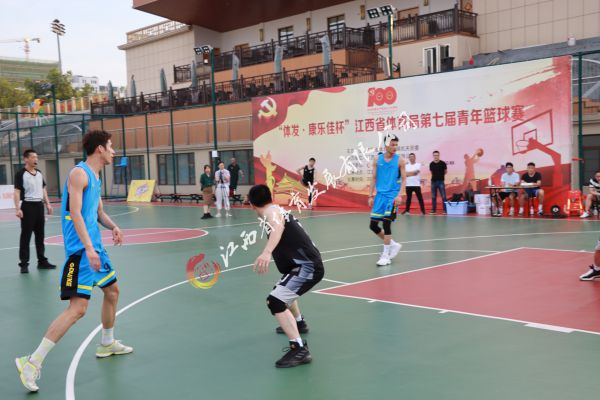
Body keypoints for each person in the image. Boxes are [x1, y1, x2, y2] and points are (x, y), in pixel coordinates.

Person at [15, 130, 132, 393]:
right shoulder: (79, 174)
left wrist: (114, 227)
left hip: (95, 248)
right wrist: (88, 248)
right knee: (77, 309)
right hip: (81, 252)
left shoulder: (96, 176)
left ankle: (107, 343)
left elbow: (98, 212)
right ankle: (31, 363)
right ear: (100, 149)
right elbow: (76, 213)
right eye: (110, 147)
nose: (113, 151)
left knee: (112, 291)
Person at [248, 184, 324, 368]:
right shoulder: (276, 209)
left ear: (251, 205)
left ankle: (299, 350)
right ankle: (299, 323)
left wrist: (267, 252)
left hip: (307, 267)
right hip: (304, 265)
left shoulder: (271, 212)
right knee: (283, 290)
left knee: (275, 301)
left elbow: (278, 226)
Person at [13, 149, 56, 273]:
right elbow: (17, 192)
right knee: (25, 236)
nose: (36, 159)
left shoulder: (39, 173)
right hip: (27, 206)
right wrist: (18, 208)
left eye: (36, 157)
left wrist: (48, 204)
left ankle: (42, 261)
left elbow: (43, 189)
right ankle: (24, 264)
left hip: (39, 206)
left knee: (40, 235)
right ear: (26, 159)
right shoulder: (20, 174)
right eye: (33, 157)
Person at [368, 134, 406, 266]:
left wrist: (400, 195)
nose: (395, 147)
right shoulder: (377, 159)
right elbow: (373, 178)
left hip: (392, 197)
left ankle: (385, 256)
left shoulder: (400, 160)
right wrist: (370, 195)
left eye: (396, 145)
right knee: (373, 225)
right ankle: (393, 244)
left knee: (386, 223)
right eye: (392, 144)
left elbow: (404, 179)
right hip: (380, 196)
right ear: (386, 145)